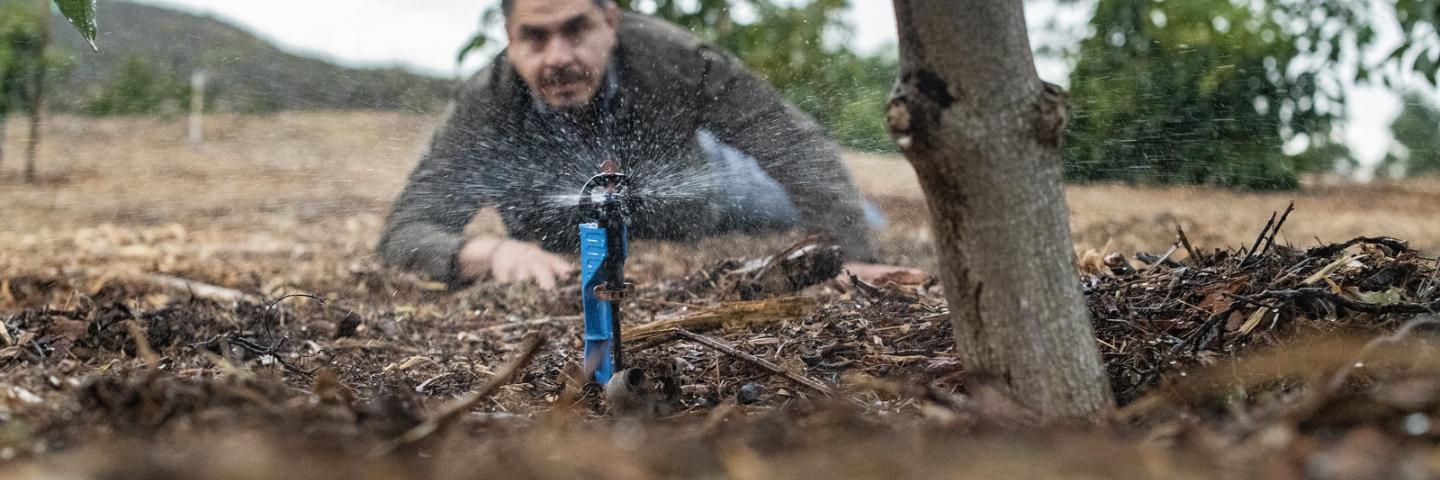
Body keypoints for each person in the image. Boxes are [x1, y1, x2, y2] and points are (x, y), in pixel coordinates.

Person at [379, 0, 907, 290]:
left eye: (575, 29)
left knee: (797, 201)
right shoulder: (486, 103)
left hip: (707, 192)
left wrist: (853, 255)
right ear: (509, 37)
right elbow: (406, 231)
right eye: (535, 37)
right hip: (566, 238)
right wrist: (490, 253)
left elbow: (789, 143)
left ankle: (871, 215)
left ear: (610, 21)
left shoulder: (673, 57)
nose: (557, 56)